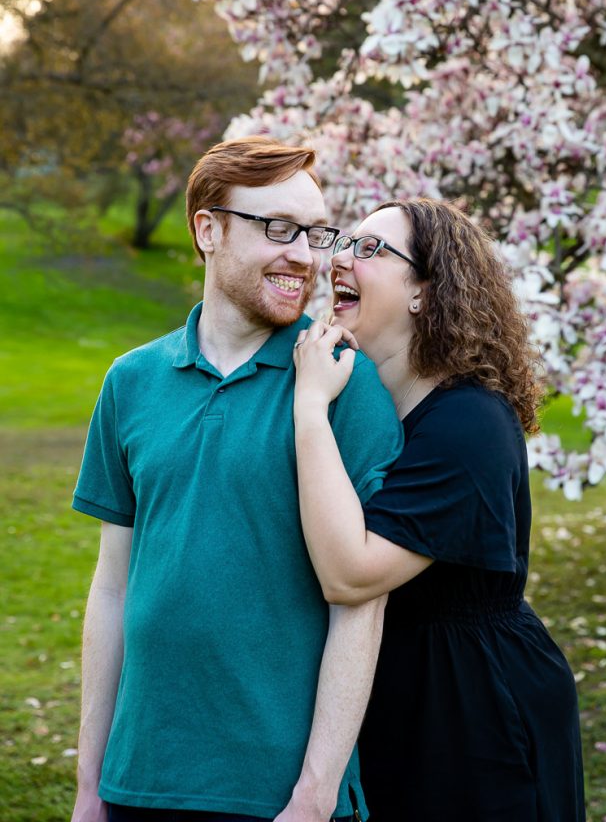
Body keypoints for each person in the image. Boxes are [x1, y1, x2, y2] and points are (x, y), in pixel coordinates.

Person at [70, 136, 403, 822]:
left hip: (277, 795)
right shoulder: (131, 382)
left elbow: (361, 604)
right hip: (140, 782)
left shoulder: (343, 382)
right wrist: (89, 784)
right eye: (279, 229)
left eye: (314, 233)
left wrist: (314, 797)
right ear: (208, 229)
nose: (305, 257)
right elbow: (112, 587)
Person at [292, 197, 586, 822]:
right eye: (346, 242)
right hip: (409, 687)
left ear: (425, 292)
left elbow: (350, 574)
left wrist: (309, 407)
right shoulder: (381, 410)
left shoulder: (467, 422)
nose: (342, 259)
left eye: (371, 250)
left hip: (473, 706)